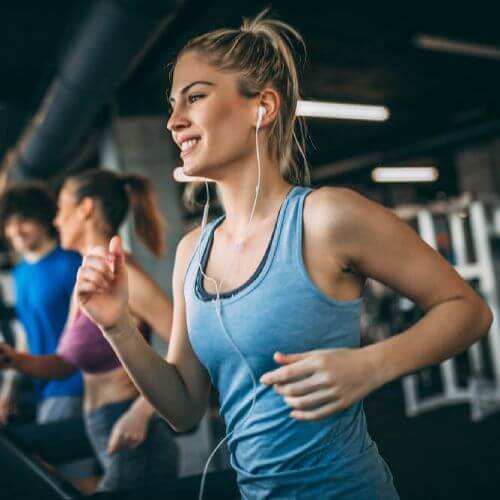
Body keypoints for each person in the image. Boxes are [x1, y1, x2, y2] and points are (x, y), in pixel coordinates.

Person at [72, 12, 492, 500]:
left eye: (196, 96)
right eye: (172, 103)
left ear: (261, 107)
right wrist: (118, 328)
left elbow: (468, 310)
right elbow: (185, 408)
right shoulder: (193, 251)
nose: (173, 121)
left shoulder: (325, 218)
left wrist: (373, 365)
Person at [0, 170, 178, 491]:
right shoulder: (86, 277)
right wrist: (13, 359)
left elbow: (190, 344)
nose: (55, 221)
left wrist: (142, 411)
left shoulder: (120, 273)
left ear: (85, 209)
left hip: (132, 432)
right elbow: (65, 364)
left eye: (60, 209)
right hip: (101, 427)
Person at [0, 182, 83, 425]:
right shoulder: (20, 272)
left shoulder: (72, 263)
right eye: (9, 222)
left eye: (24, 220)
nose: (15, 230)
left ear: (44, 219)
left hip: (74, 385)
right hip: (41, 385)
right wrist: (9, 389)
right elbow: (26, 333)